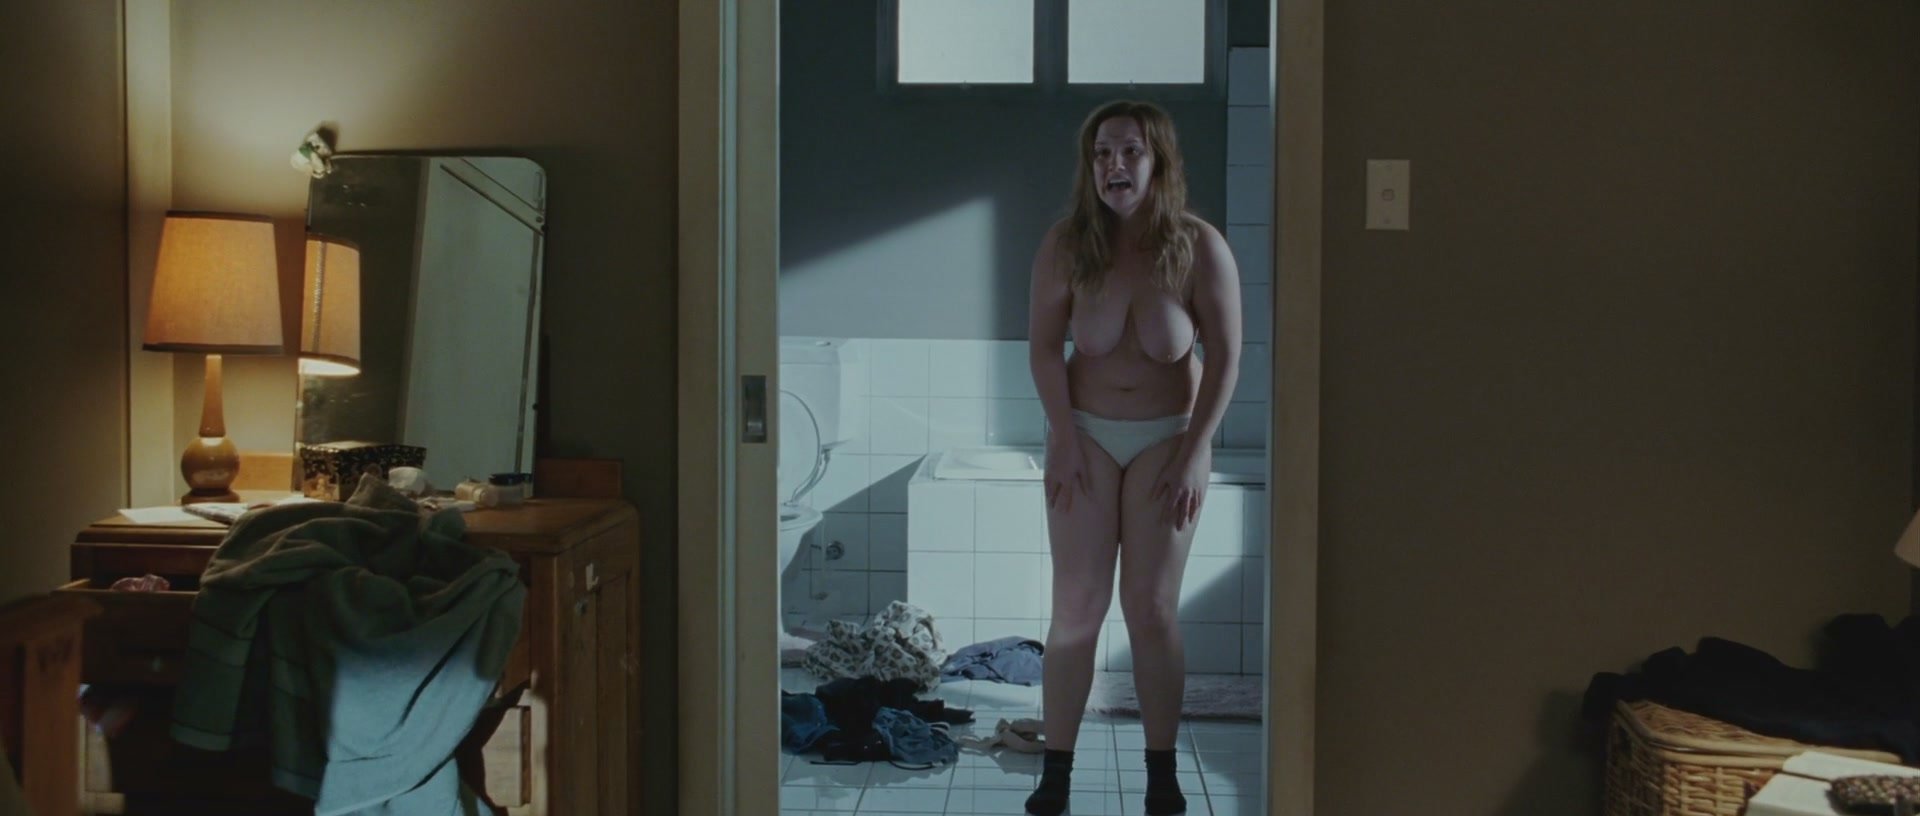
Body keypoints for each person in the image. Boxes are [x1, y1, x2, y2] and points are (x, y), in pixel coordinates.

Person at [1024, 100, 1243, 816]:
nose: (1113, 166)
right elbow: (1043, 349)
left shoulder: (1198, 246)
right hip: (1085, 435)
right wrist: (1062, 437)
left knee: (1150, 610)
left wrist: (1196, 450)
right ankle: (1055, 775)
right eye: (1101, 154)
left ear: (1159, 162)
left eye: (1130, 152)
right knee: (1076, 608)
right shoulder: (1067, 245)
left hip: (1166, 438)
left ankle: (1161, 773)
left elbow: (1226, 356)